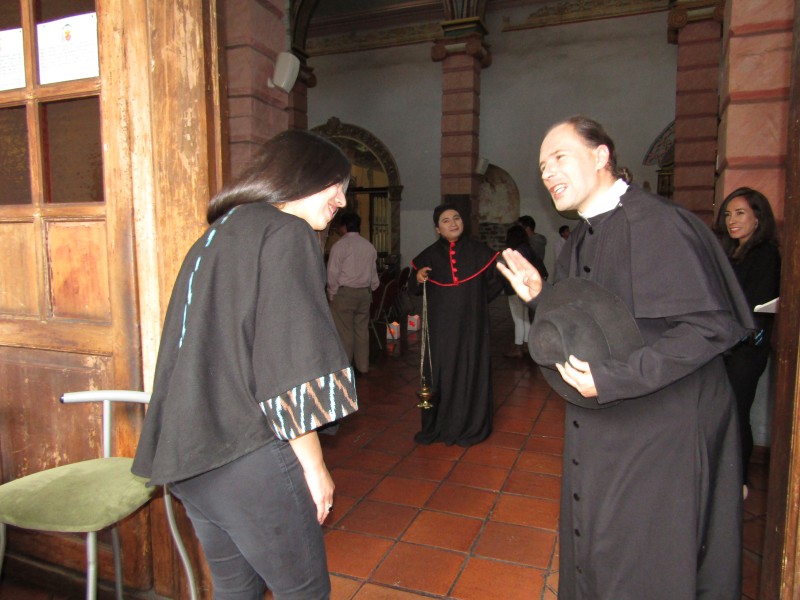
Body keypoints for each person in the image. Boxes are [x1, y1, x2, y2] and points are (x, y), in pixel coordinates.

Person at [497, 115, 753, 599]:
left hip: (663, 428)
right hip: (613, 423)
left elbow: (708, 328)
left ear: (600, 156)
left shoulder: (658, 223)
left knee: (645, 559)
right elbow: (593, 323)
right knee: (601, 547)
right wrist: (539, 296)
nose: (547, 172)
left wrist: (615, 379)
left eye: (558, 157)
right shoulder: (583, 237)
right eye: (541, 165)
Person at [132, 129, 359, 600]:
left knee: (237, 591)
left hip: (188, 456)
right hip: (245, 452)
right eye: (334, 183)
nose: (342, 199)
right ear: (298, 175)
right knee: (306, 591)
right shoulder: (286, 232)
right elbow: (291, 361)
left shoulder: (216, 236)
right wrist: (314, 469)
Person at [409, 204, 504, 446]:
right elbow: (412, 287)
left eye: (457, 218)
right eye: (445, 220)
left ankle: (469, 426)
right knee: (442, 372)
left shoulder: (479, 251)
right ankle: (440, 426)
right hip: (441, 332)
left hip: (472, 328)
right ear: (437, 229)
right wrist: (418, 278)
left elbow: (495, 284)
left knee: (469, 371)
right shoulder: (428, 256)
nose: (453, 223)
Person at [713, 187, 781, 493]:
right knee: (721, 410)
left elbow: (754, 303)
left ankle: (737, 478)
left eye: (740, 213)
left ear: (758, 217)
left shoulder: (765, 253)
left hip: (747, 346)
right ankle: (721, 474)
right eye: (728, 214)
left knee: (737, 410)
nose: (732, 220)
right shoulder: (729, 253)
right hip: (725, 343)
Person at [327, 211, 380, 374]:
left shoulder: (340, 246)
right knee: (362, 331)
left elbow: (332, 274)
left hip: (345, 294)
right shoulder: (369, 246)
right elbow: (374, 278)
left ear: (343, 227)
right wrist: (371, 288)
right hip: (364, 294)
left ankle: (345, 369)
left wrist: (332, 292)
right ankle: (363, 367)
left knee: (345, 332)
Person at [502, 224, 547, 358]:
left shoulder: (516, 251)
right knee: (525, 317)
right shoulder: (528, 248)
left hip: (517, 288)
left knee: (518, 319)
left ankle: (518, 347)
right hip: (527, 288)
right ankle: (527, 345)